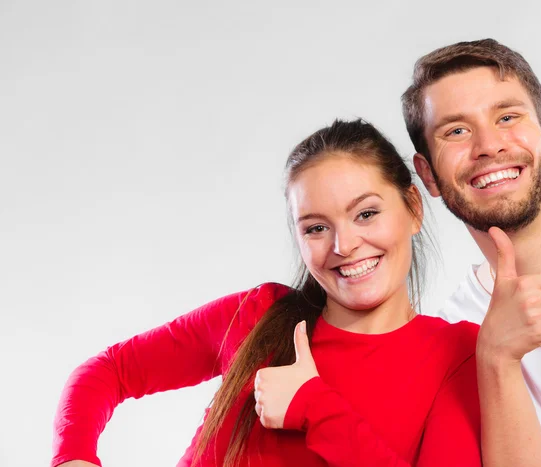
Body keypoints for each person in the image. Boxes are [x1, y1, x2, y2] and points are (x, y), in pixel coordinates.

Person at [52, 119, 482, 467]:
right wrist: (73, 457)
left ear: (413, 208)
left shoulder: (457, 354)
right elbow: (108, 371)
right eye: (316, 227)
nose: (343, 245)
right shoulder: (260, 315)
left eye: (366, 214)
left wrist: (316, 407)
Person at [402, 38, 541, 466]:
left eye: (507, 116)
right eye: (456, 131)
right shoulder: (453, 339)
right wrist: (494, 359)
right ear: (429, 176)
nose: (489, 146)